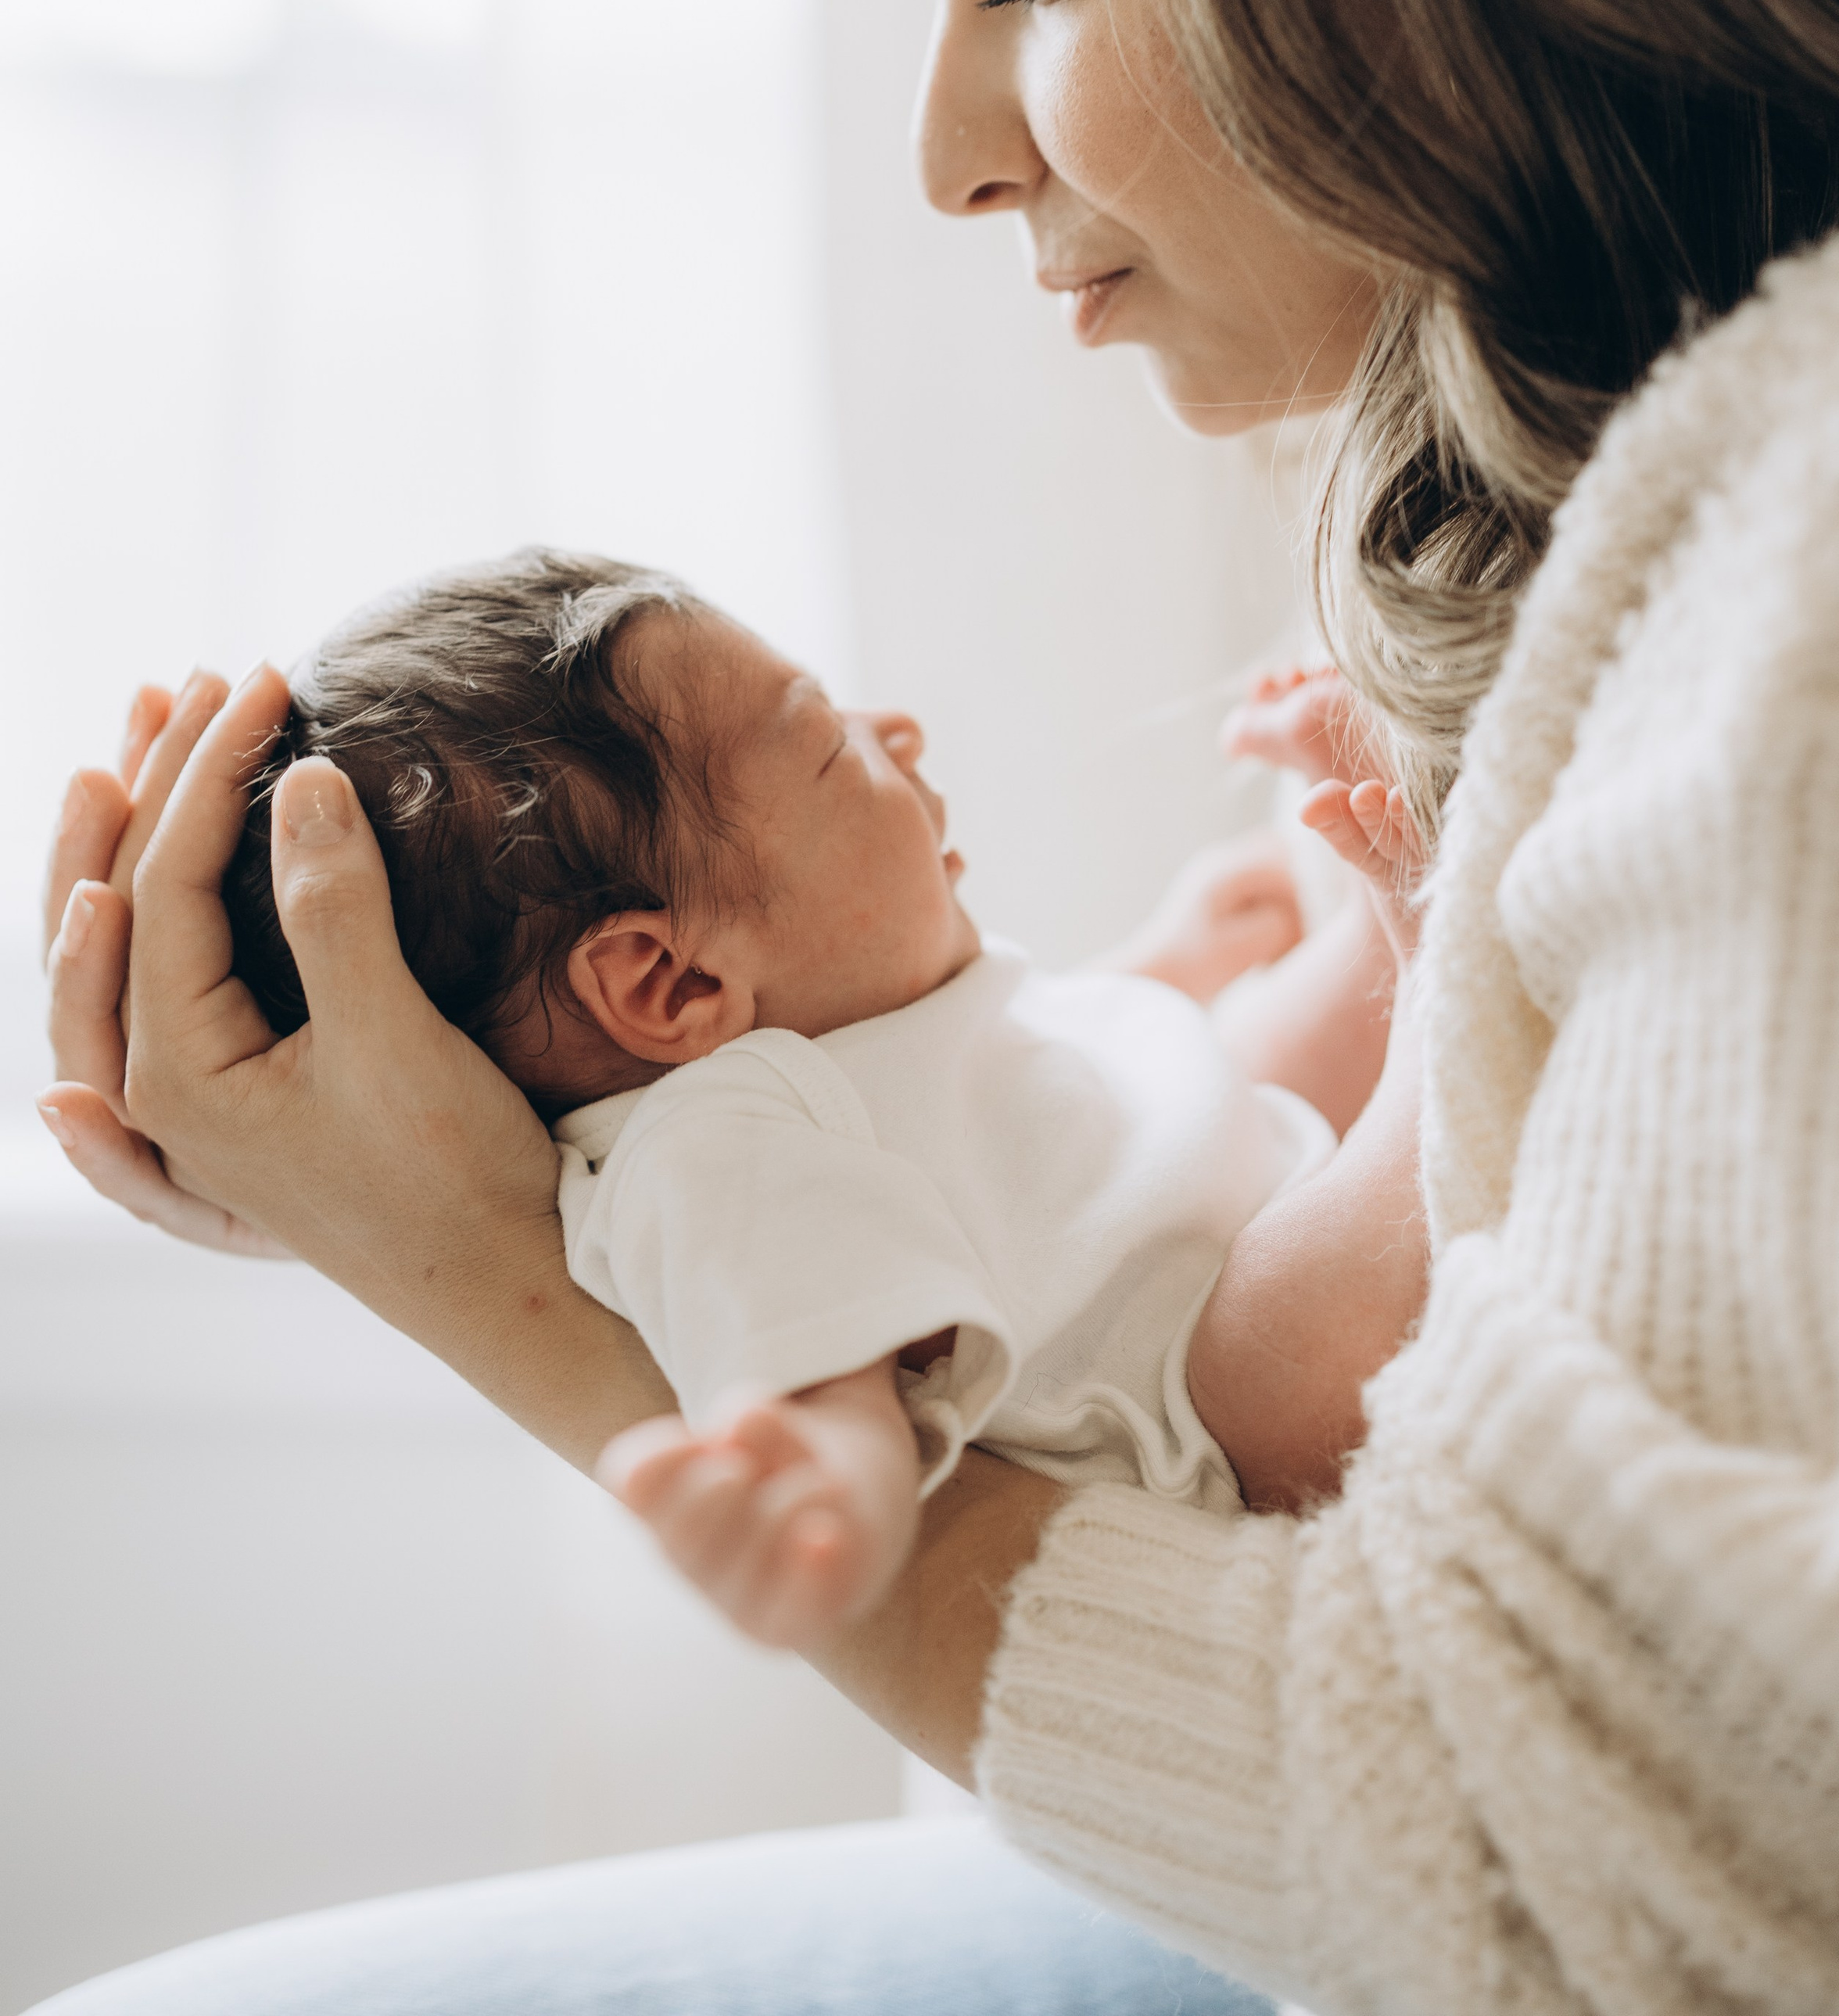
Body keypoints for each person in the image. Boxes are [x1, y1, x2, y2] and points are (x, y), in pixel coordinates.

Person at [34, 0, 1839, 2016]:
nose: (956, 150)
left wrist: (512, 1302)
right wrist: (499, 1172)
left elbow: (1614, 1904)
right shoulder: (1771, 467)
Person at [215, 547, 1407, 1644]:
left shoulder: (835, 1041)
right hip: (1214, 1407)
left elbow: (1027, 1100)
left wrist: (1172, 958)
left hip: (1203, 1225)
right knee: (1316, 1215)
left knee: (1221, 1056)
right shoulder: (711, 1147)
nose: (897, 729)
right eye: (832, 747)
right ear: (673, 981)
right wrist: (819, 1486)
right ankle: (1434, 971)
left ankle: (1383, 934)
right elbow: (811, 1359)